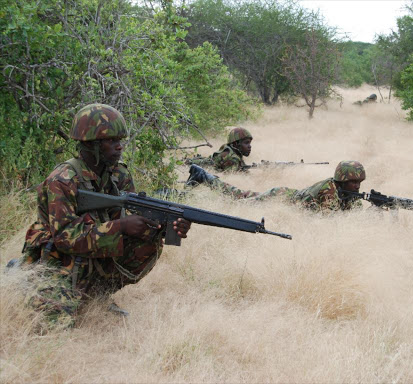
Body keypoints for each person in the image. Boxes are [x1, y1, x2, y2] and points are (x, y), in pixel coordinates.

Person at [15, 104, 191, 327]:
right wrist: (121, 227)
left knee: (147, 242)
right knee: (53, 324)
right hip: (57, 262)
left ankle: (96, 295)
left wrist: (166, 227)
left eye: (120, 141)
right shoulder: (62, 180)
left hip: (91, 257)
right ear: (91, 144)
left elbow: (138, 222)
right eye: (111, 141)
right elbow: (65, 237)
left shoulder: (118, 174)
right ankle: (25, 276)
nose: (119, 147)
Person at [186, 161, 366, 212]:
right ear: (342, 180)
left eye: (359, 182)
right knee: (235, 204)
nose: (357, 186)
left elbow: (356, 215)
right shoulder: (330, 189)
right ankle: (188, 196)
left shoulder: (347, 193)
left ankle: (204, 177)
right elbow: (331, 223)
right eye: (353, 182)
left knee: (238, 195)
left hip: (283, 196)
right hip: (279, 198)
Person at [186, 127, 252, 172]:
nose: (250, 146)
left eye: (249, 143)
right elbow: (234, 176)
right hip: (190, 164)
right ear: (235, 144)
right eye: (246, 143)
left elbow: (241, 167)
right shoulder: (231, 158)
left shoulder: (234, 151)